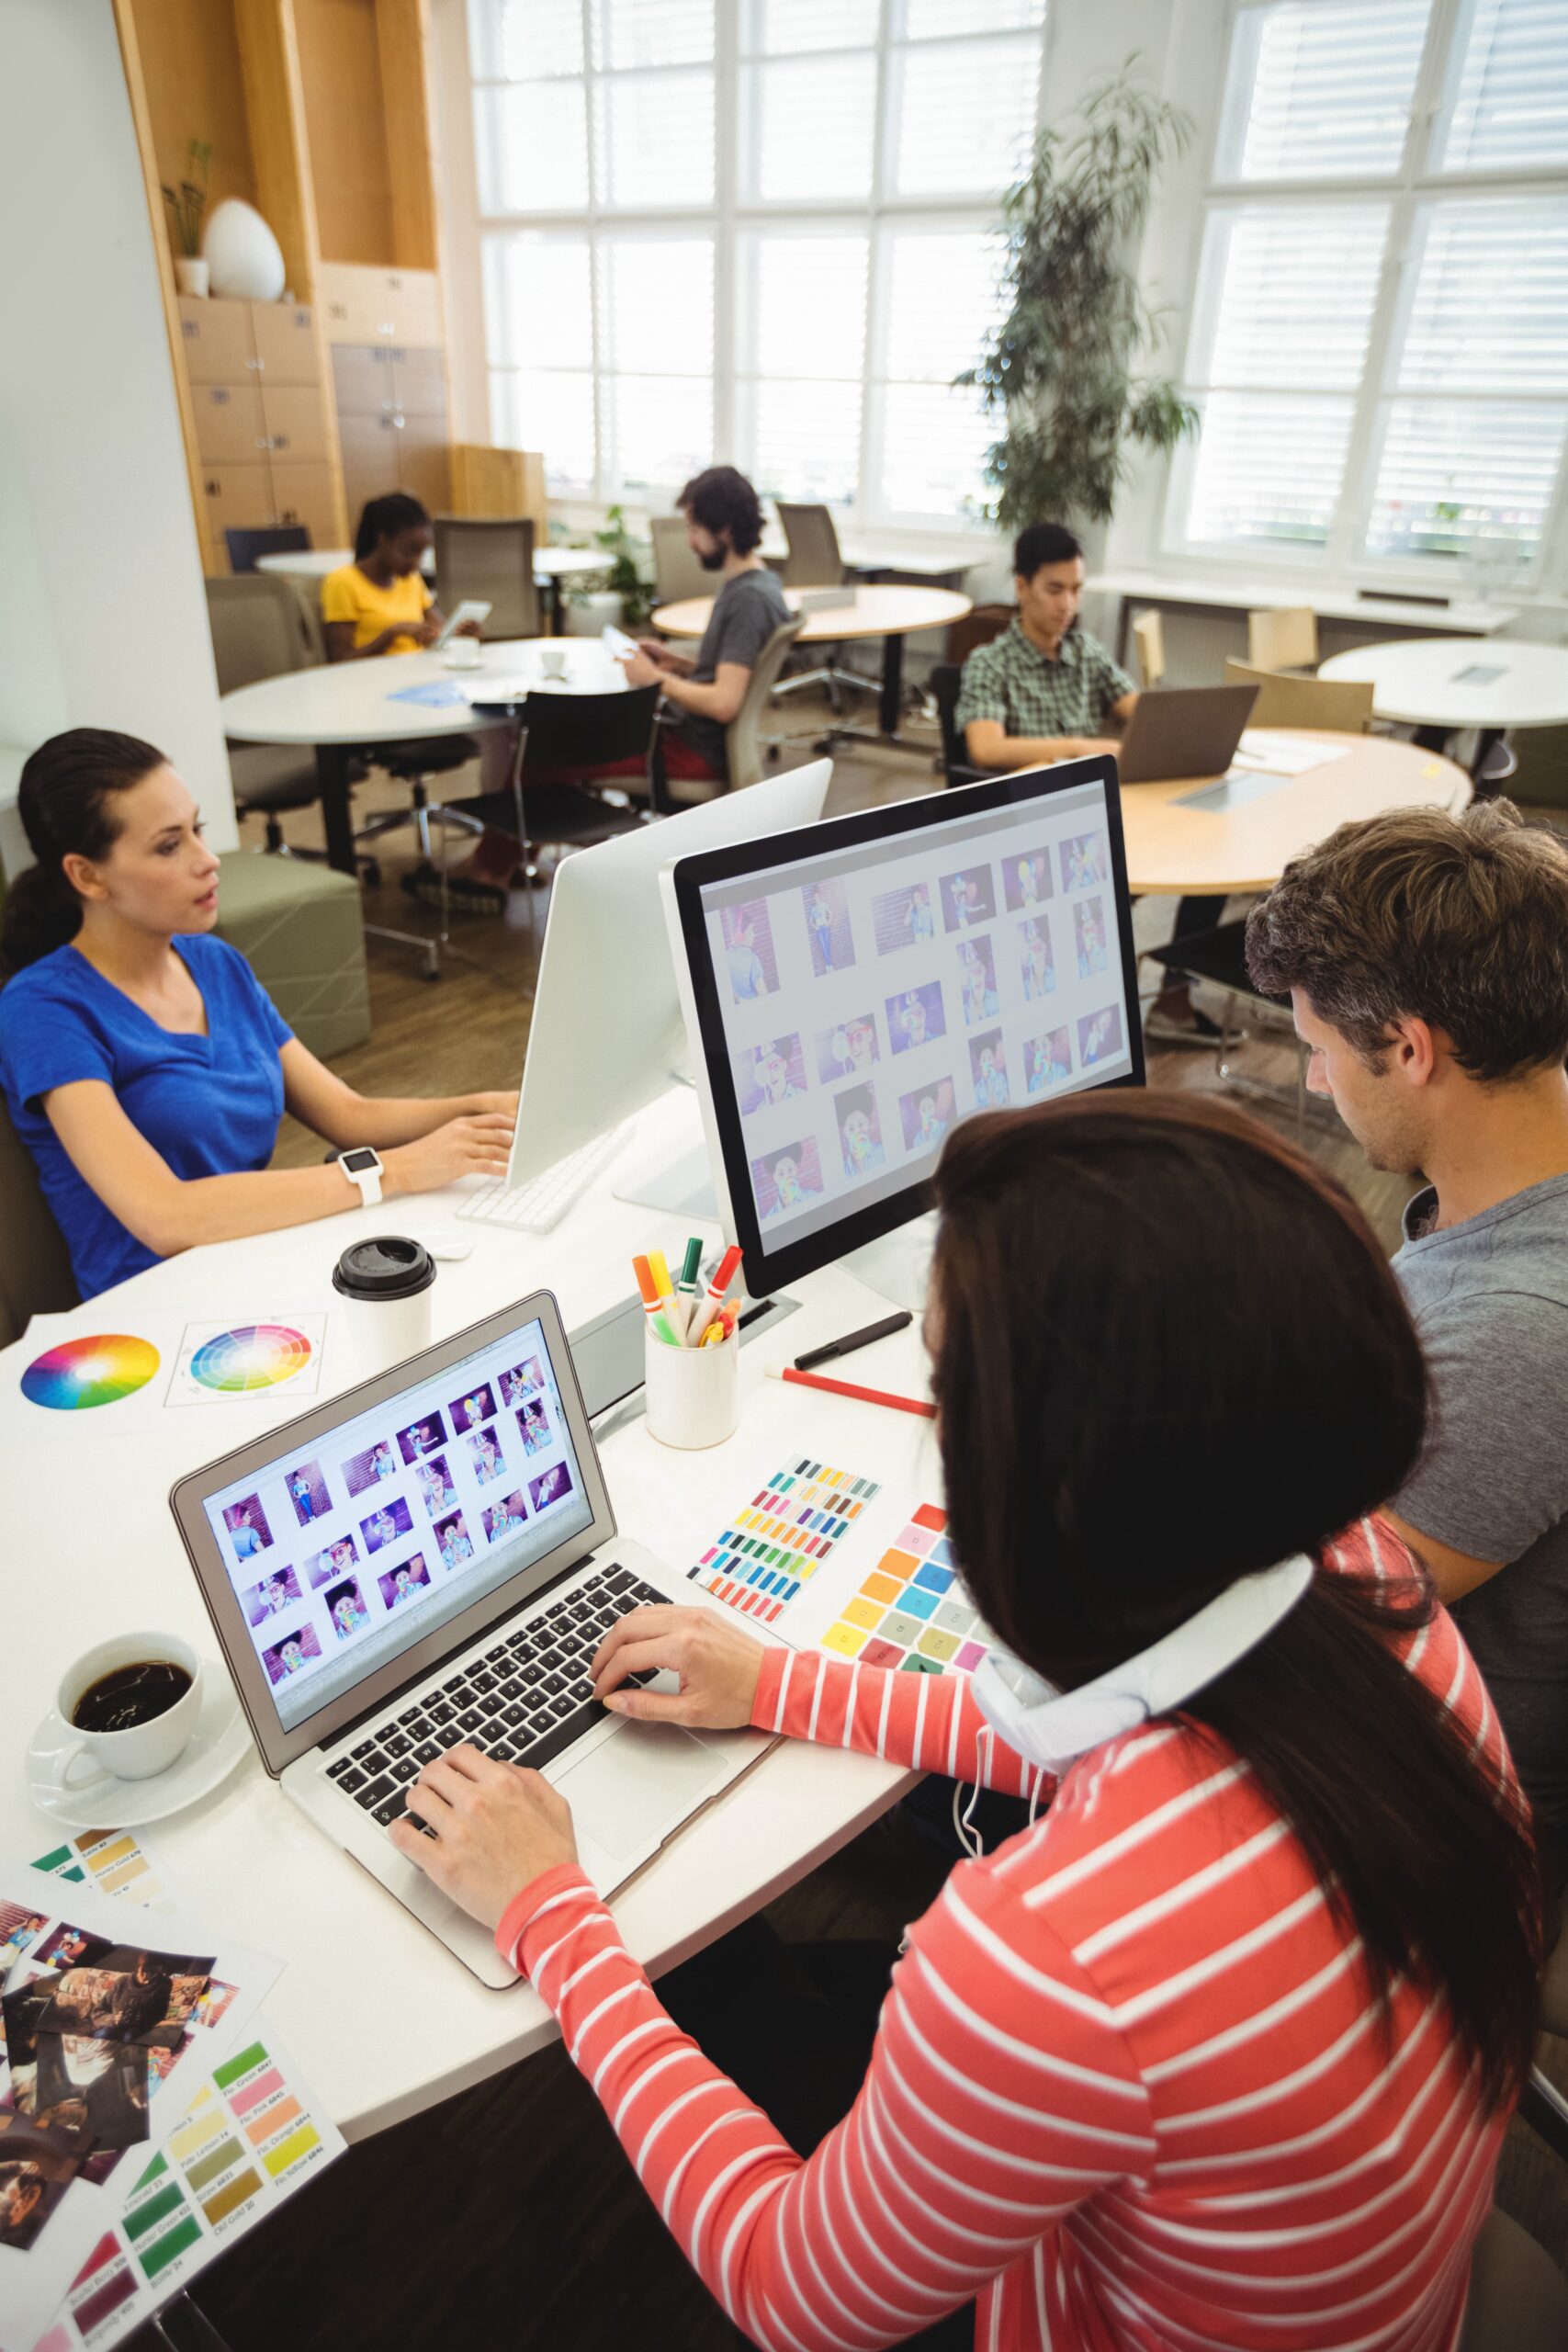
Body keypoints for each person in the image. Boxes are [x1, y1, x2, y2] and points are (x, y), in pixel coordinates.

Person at [389, 1094, 1543, 2352]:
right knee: (743, 1971)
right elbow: (1126, 1741)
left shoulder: (1043, 1959)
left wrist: (548, 1912)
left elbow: (793, 2295)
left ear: (1033, 1478)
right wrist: (776, 1684)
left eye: (945, 1389)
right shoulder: (1358, 1577)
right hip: (1383, 2290)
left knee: (708, 1970)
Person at [1246, 798, 1568, 1878]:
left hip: (1437, 1821)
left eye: (1319, 1050)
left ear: (1411, 1047)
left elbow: (1312, 1618)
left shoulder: (1518, 1336)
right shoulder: (1508, 1187)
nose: (1312, 1080)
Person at [0, 733, 515, 1302]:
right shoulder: (43, 1009)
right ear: (87, 876)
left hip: (256, 1257)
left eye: (196, 829)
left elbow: (349, 1115)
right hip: (151, 1309)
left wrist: (482, 1109)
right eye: (169, 847)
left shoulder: (215, 963)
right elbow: (165, 1216)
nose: (208, 859)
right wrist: (394, 1172)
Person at [616, 467, 791, 791]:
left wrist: (654, 679)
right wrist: (680, 665)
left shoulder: (748, 600)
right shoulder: (755, 583)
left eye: (694, 528)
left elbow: (725, 703)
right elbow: (737, 673)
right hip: (687, 739)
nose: (690, 542)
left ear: (724, 528)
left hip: (692, 752)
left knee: (545, 759)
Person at [955, 524, 1135, 773]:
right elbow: (987, 749)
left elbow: (1140, 711)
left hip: (1088, 791)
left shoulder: (1087, 651)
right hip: (1028, 801)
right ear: (1022, 588)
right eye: (1055, 590)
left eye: (1075, 590)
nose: (1067, 604)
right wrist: (1076, 748)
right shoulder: (990, 663)